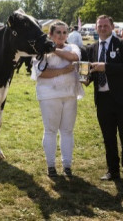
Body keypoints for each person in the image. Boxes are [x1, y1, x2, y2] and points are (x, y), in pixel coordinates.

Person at [86, 15, 123, 188]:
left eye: (105, 25)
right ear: (95, 28)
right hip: (103, 100)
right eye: (99, 26)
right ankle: (112, 170)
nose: (102, 28)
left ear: (112, 27)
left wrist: (106, 67)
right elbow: (92, 70)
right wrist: (88, 79)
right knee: (108, 138)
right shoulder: (92, 47)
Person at [31, 21, 84, 178]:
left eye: (64, 32)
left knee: (67, 131)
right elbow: (41, 73)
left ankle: (67, 165)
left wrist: (54, 50)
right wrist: (62, 70)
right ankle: (51, 165)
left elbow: (73, 57)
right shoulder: (41, 52)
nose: (61, 35)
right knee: (51, 130)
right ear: (51, 35)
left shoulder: (73, 47)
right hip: (49, 95)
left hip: (69, 95)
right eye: (58, 32)